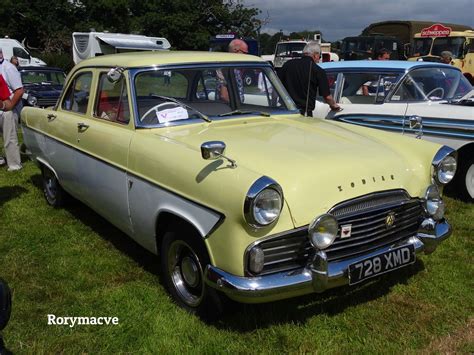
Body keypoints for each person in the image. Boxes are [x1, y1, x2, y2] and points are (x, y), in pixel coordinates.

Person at [278, 41, 340, 116]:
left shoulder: (287, 65)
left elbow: (277, 85)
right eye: (319, 57)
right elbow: (327, 97)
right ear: (315, 55)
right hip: (304, 113)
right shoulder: (318, 70)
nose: (319, 60)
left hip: (285, 111)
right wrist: (333, 105)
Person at [0, 48, 24, 171]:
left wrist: (10, 106)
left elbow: (19, 91)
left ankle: (14, 165)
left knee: (10, 138)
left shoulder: (9, 68)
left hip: (8, 109)